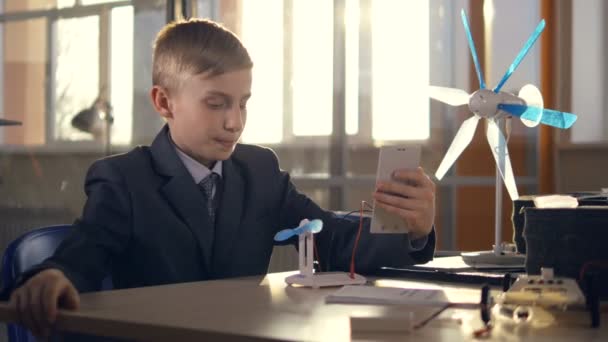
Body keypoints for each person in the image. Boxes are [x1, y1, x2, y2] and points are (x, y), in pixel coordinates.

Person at [8, 18, 436, 338]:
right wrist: (55, 275)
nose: (235, 122)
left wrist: (410, 230)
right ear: (164, 101)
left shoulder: (259, 170)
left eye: (243, 103)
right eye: (216, 104)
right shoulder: (122, 179)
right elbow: (85, 252)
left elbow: (328, 234)